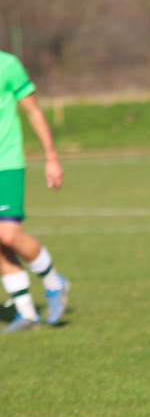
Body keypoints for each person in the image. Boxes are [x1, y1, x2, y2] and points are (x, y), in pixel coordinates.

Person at [0, 50, 70, 333]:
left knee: (7, 233)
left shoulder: (7, 64)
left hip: (6, 163)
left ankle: (55, 282)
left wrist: (51, 158)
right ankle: (26, 312)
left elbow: (34, 111)